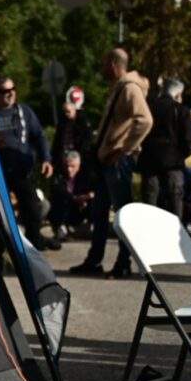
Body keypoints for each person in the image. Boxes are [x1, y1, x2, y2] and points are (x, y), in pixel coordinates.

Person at [70, 49, 153, 278]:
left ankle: (123, 263)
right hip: (107, 161)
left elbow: (145, 120)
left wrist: (124, 148)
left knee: (122, 216)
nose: (102, 67)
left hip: (118, 162)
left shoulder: (129, 88)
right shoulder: (119, 87)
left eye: (105, 63)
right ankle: (94, 260)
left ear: (115, 64)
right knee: (99, 212)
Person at [0, 77, 60, 251]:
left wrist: (46, 159)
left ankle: (34, 247)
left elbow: (39, 136)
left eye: (12, 89)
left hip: (22, 170)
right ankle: (1, 252)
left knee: (33, 211)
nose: (9, 94)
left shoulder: (23, 111)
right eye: (4, 91)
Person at [137, 78, 191, 218]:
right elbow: (187, 141)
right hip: (173, 164)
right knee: (174, 204)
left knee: (150, 203)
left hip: (149, 161)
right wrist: (181, 155)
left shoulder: (148, 107)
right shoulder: (181, 110)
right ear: (178, 94)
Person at [47, 150, 94, 241]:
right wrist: (74, 198)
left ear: (78, 166)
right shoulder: (58, 175)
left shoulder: (86, 176)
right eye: (67, 166)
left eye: (72, 166)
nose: (69, 169)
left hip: (81, 208)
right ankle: (60, 228)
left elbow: (93, 190)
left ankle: (90, 226)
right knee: (57, 199)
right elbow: (58, 190)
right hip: (65, 209)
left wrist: (87, 196)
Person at [51, 100, 93, 173]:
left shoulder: (83, 122)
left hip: (78, 155)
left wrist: (82, 154)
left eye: (68, 111)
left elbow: (87, 138)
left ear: (74, 110)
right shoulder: (62, 123)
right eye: (65, 112)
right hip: (64, 156)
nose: (66, 114)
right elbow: (57, 140)